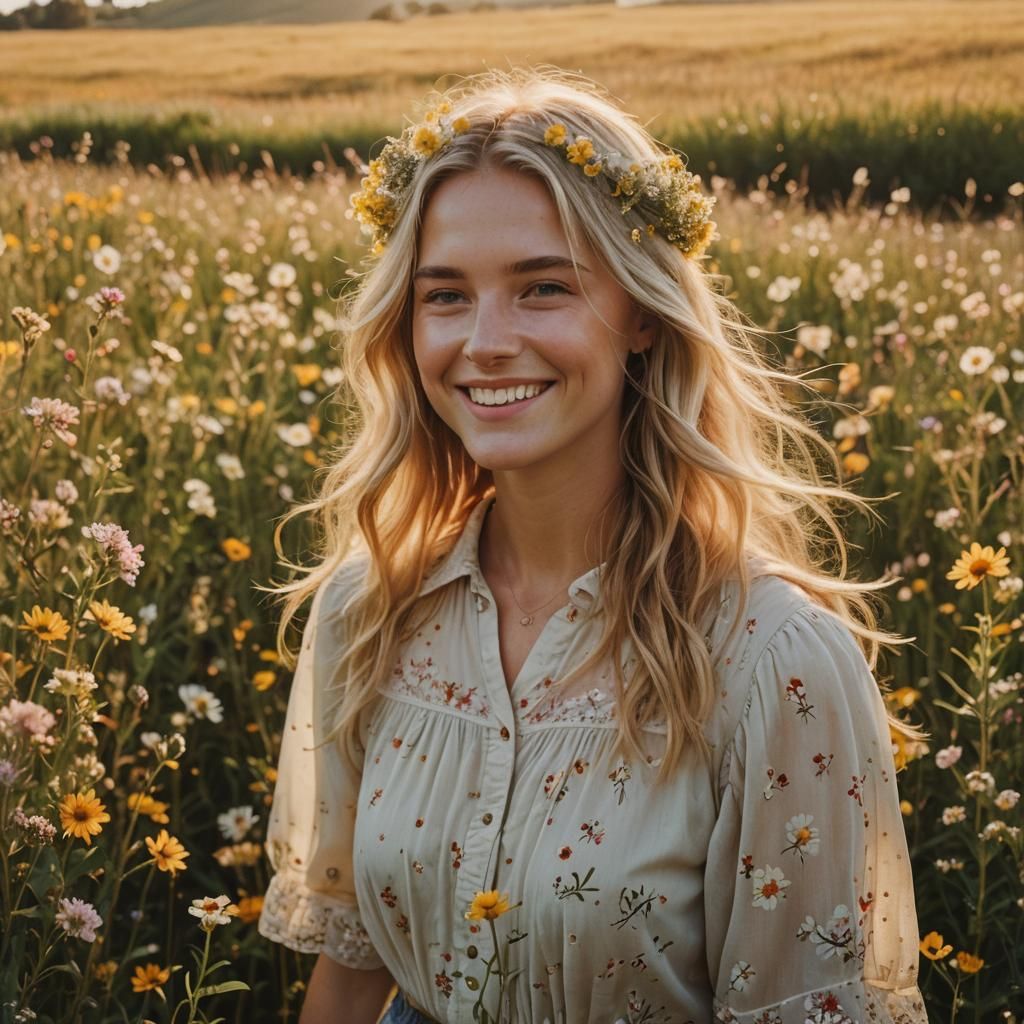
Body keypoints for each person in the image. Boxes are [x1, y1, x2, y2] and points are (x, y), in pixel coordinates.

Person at [257, 68, 928, 1024]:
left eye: (543, 288)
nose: (485, 342)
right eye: (444, 295)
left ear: (644, 314)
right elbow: (358, 967)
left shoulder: (769, 659)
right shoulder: (370, 607)